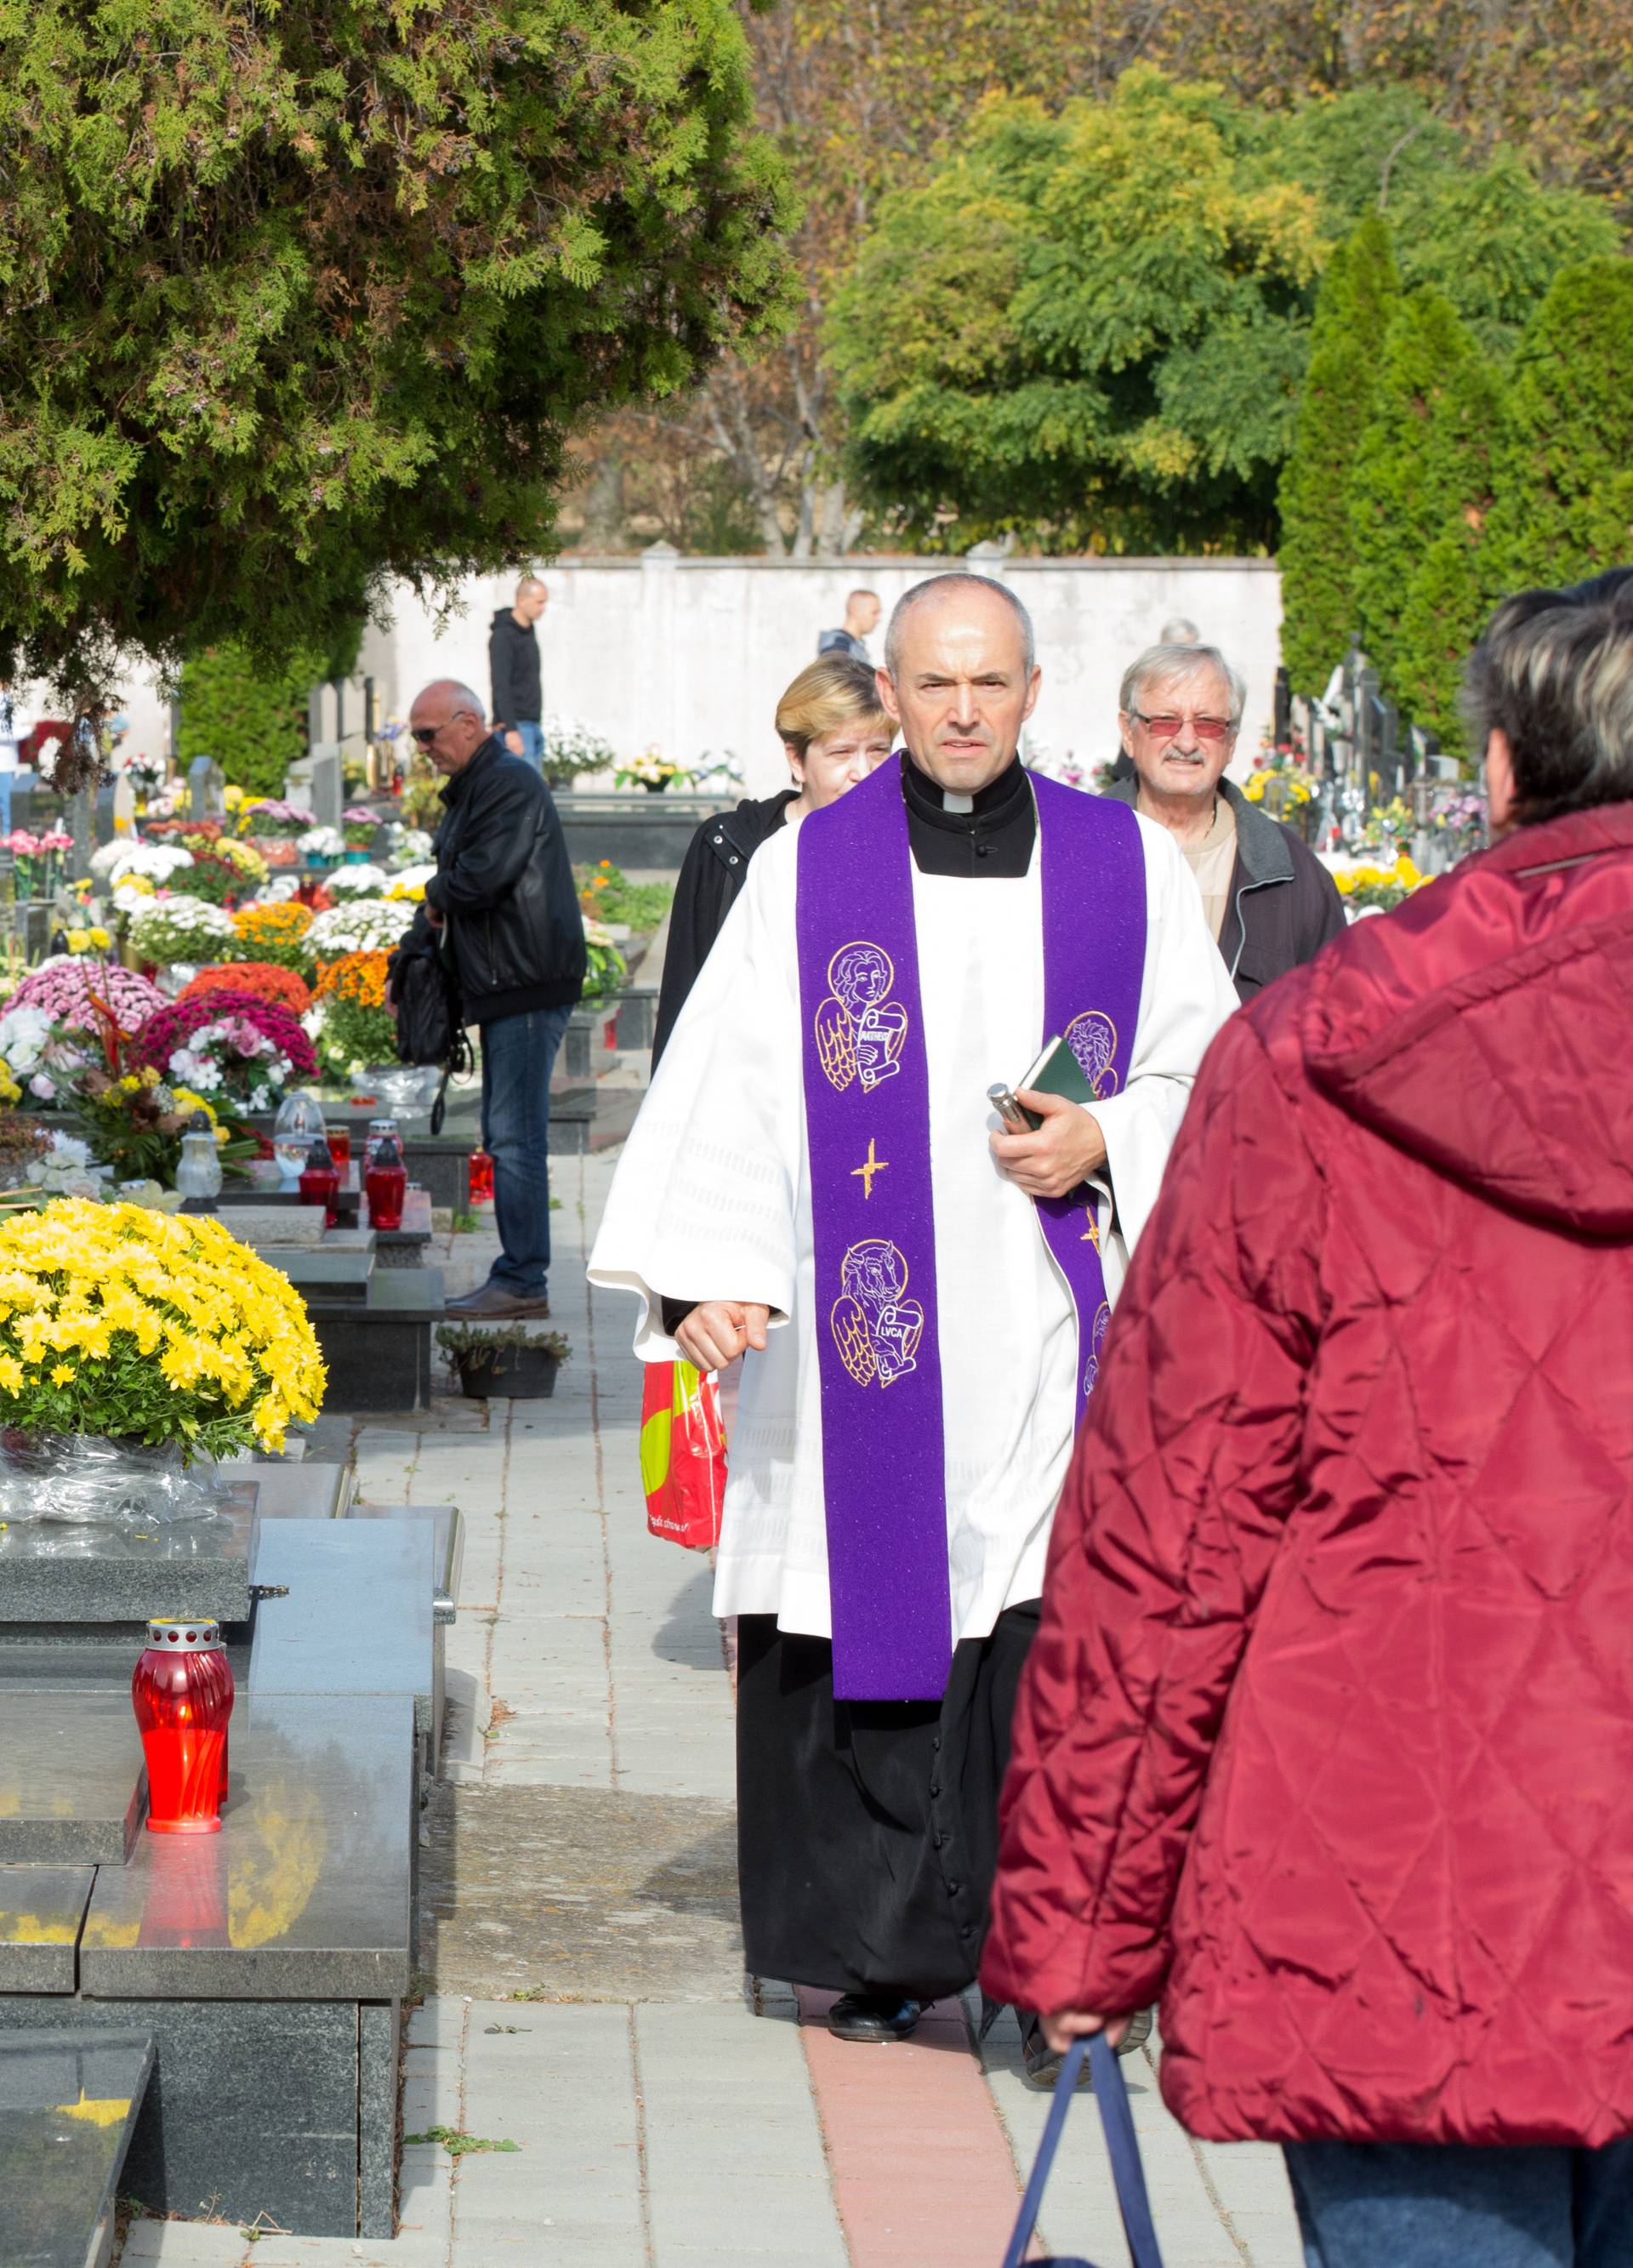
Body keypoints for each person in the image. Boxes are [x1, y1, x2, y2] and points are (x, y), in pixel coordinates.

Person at [982, 571, 1633, 2263]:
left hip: (1403, 1904)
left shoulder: (1310, 1057)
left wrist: (1082, 1927)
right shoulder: (1304, 1062)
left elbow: (1173, 1532)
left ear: (1497, 772)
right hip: (1411, 1904)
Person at [589, 574, 1235, 2054]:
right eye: (932, 685)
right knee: (868, 1632)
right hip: (855, 1331)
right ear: (889, 693)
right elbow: (734, 1087)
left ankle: (1051, 1952)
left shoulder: (1119, 863)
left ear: (1032, 693)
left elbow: (1217, 1073)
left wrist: (1106, 1140)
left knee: (1044, 1638)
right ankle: (875, 1952)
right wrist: (713, 1270)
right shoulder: (810, 870)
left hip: (1053, 1321)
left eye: (989, 684)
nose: (960, 711)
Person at [393, 680, 584, 1318]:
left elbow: (480, 878)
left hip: (525, 984)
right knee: (507, 1133)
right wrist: (414, 951)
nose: (422, 748)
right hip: (508, 983)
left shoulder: (506, 782)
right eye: (417, 736)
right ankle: (518, 1274)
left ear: (468, 723)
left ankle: (523, 1280)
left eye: (429, 734)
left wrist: (436, 891)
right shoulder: (479, 785)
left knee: (513, 1138)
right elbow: (456, 886)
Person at [651, 654, 895, 1068]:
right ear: (796, 760)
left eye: (879, 750)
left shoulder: (903, 849)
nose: (863, 772)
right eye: (841, 753)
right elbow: (686, 994)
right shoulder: (728, 846)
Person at [1103, 640, 1344, 1000]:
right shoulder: (1073, 850)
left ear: (1231, 742)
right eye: (1165, 722)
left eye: (1209, 724)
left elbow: (1336, 1010)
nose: (1186, 742)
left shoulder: (1289, 874)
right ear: (1128, 732)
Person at [489, 575, 548, 772]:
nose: (543, 607)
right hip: (516, 727)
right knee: (524, 793)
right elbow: (500, 684)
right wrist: (511, 730)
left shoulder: (529, 630)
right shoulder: (503, 635)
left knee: (536, 790)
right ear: (522, 601)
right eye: (539, 602)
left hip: (532, 724)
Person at [816, 588, 880, 663]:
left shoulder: (853, 645)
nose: (878, 619)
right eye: (874, 613)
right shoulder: (838, 645)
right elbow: (835, 673)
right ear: (855, 610)